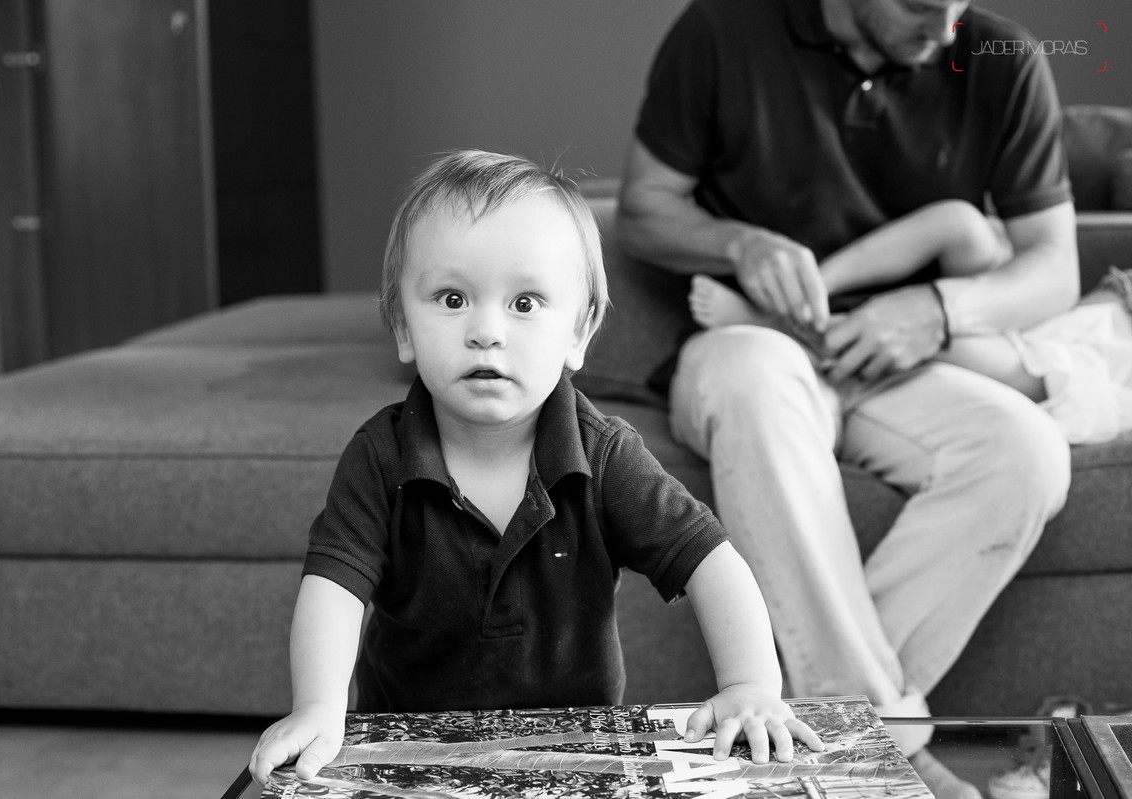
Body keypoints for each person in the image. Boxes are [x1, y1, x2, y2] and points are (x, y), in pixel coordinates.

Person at [617, 1, 1078, 797]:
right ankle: (882, 755)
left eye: (957, 3)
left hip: (891, 359)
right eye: (920, 6)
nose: (946, 29)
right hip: (745, 344)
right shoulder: (722, 30)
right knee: (758, 376)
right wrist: (738, 242)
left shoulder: (1002, 56)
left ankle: (837, 742)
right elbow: (642, 211)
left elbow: (1054, 266)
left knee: (1026, 451)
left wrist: (938, 310)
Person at [248, 150, 824, 786]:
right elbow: (333, 588)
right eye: (452, 298)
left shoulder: (604, 455)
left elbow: (711, 561)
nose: (486, 330)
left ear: (579, 333)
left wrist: (749, 685)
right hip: (409, 751)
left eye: (524, 303)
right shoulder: (380, 456)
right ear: (402, 327)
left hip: (576, 753)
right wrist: (319, 706)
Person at [690, 199, 1132, 445]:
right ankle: (809, 290)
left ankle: (799, 329)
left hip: (1085, 379)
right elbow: (1079, 306)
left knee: (990, 355)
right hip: (1056, 327)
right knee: (962, 224)